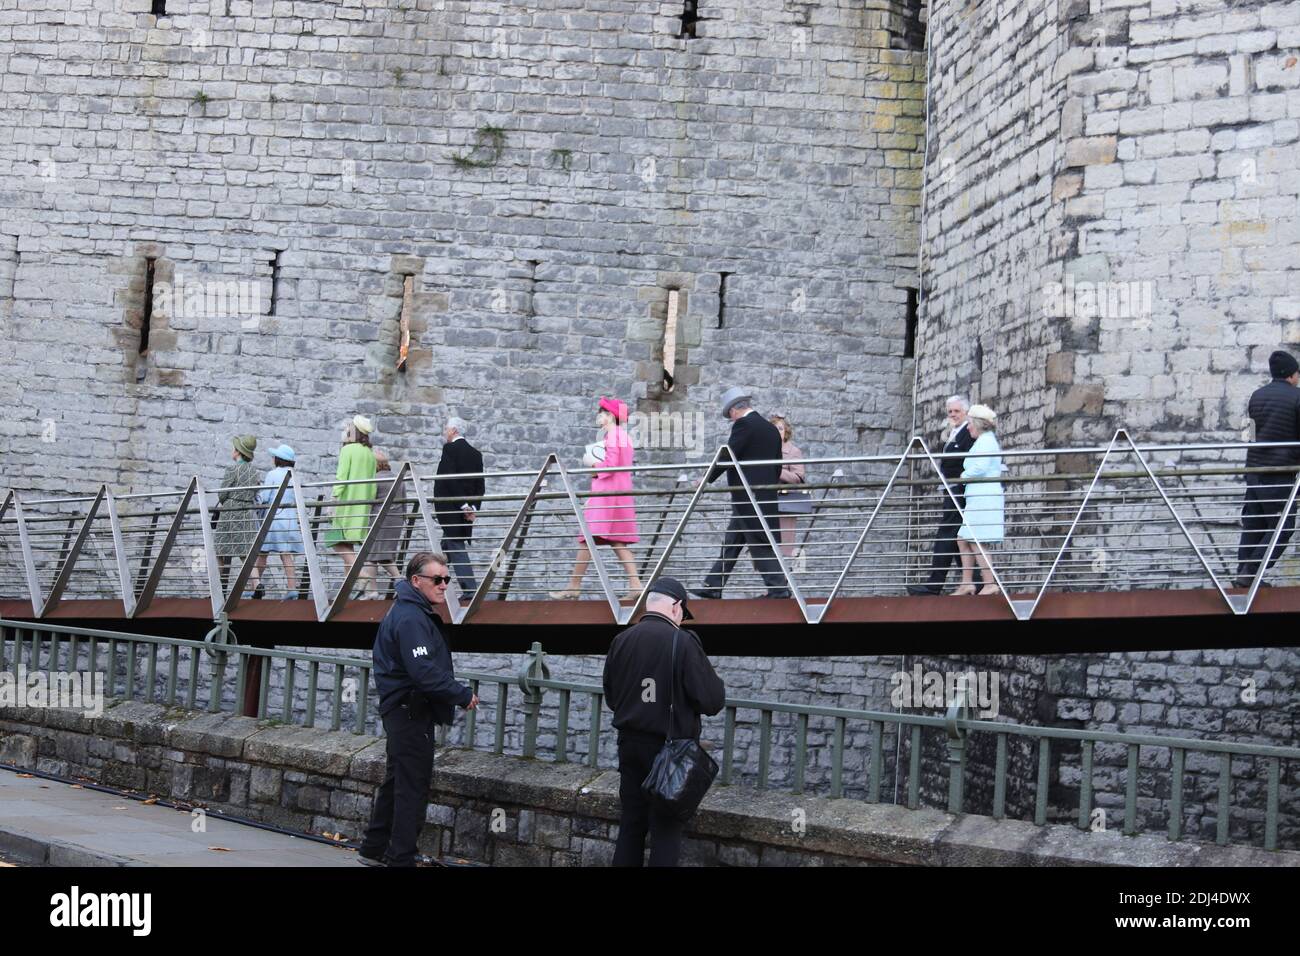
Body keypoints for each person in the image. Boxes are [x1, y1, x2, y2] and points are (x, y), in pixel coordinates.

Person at [359, 552, 479, 867]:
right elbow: (422, 670)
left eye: (447, 579)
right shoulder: (411, 617)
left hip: (401, 709)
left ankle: (374, 848)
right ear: (416, 580)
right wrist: (460, 693)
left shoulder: (407, 611)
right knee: (412, 784)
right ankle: (401, 857)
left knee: (397, 779)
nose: (443, 586)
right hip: (410, 710)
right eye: (437, 580)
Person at [602, 577, 724, 867]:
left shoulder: (622, 640)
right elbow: (712, 700)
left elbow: (611, 695)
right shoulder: (683, 642)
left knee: (631, 827)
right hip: (670, 752)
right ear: (676, 607)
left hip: (630, 746)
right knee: (666, 833)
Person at [692, 387, 791, 599]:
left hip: (747, 496)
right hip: (763, 495)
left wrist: (706, 478)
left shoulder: (744, 425)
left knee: (759, 540)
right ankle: (712, 586)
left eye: (730, 415)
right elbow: (777, 466)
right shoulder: (770, 429)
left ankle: (779, 590)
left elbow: (728, 455)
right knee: (733, 540)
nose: (731, 419)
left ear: (734, 411)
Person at [552, 397, 643, 601]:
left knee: (588, 539)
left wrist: (593, 467)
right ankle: (635, 584)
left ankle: (574, 586)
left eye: (601, 413)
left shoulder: (613, 435)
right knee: (616, 542)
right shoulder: (623, 436)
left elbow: (611, 465)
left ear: (610, 416)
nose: (598, 417)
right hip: (616, 494)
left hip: (608, 495)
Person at [1234, 349, 1300, 588]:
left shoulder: (1256, 396)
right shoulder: (1297, 397)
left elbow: (1250, 435)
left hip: (1254, 471)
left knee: (1255, 523)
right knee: (1283, 527)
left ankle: (1244, 573)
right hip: (1279, 474)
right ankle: (1252, 570)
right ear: (1292, 375)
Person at [908, 396, 983, 595]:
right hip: (952, 489)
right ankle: (976, 581)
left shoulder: (968, 433)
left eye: (956, 411)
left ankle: (935, 584)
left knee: (947, 532)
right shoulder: (954, 433)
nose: (952, 415)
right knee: (956, 535)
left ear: (966, 412)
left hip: (960, 489)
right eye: (950, 412)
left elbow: (966, 460)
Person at [324, 415, 378, 599]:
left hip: (346, 504)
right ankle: (351, 591)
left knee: (337, 542)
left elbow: (342, 477)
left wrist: (333, 499)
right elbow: (373, 484)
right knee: (348, 546)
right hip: (362, 506)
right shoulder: (370, 454)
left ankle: (362, 576)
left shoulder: (348, 450)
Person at [954, 404, 1004, 596]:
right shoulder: (983, 440)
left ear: (977, 424)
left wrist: (963, 477)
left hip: (984, 496)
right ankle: (967, 583)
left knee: (976, 539)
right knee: (963, 539)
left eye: (969, 424)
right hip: (976, 496)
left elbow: (980, 467)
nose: (967, 428)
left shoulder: (987, 441)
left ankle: (989, 583)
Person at [433, 417, 485, 596]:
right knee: (444, 549)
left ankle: (470, 590)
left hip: (452, 508)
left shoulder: (450, 449)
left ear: (453, 430)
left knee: (455, 545)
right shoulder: (476, 454)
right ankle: (429, 583)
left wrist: (463, 506)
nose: (445, 432)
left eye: (446, 429)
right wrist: (473, 507)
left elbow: (449, 478)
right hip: (465, 510)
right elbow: (480, 484)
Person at [215, 435, 262, 597]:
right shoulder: (254, 471)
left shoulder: (232, 469)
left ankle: (218, 589)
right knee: (245, 551)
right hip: (247, 511)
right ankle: (257, 585)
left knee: (219, 550)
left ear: (238, 452)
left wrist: (227, 499)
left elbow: (222, 494)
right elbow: (256, 491)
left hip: (230, 512)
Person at [255, 444, 303, 598]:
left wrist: (257, 493)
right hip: (289, 517)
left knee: (262, 553)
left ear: (278, 459)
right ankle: (292, 589)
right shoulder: (294, 475)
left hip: (274, 518)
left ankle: (254, 587)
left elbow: (266, 496)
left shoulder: (273, 474)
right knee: (286, 554)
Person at [367, 449, 410, 598]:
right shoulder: (398, 478)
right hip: (396, 520)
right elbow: (404, 501)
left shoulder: (373, 479)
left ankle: (376, 589)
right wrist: (404, 518)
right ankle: (394, 585)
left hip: (380, 520)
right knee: (378, 555)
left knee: (374, 554)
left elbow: (369, 501)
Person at [770, 413, 808, 558]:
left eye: (780, 428)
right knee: (766, 543)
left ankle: (783, 577)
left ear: (786, 431)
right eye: (774, 429)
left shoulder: (793, 451)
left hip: (786, 502)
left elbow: (799, 477)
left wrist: (778, 471)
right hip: (767, 500)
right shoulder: (764, 450)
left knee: (784, 546)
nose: (777, 431)